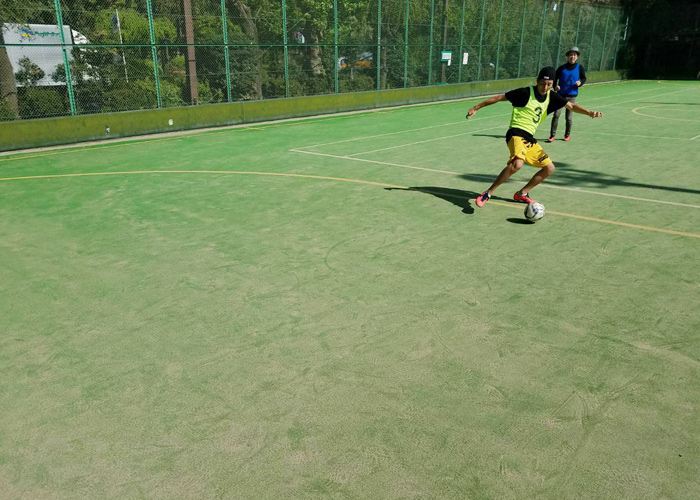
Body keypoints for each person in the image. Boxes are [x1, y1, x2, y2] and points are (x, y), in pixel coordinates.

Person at [466, 66, 603, 207]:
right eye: (542, 84)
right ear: (537, 81)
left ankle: (522, 194)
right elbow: (499, 97)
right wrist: (476, 107)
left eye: (549, 84)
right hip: (516, 133)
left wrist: (589, 113)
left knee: (549, 168)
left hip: (529, 138)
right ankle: (488, 193)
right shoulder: (525, 93)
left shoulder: (552, 97)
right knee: (518, 163)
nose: (545, 87)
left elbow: (571, 106)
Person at [547, 46, 587, 142]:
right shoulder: (561, 68)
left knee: (568, 117)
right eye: (570, 55)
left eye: (574, 55)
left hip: (572, 96)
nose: (572, 57)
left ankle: (567, 134)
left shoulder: (579, 67)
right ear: (568, 57)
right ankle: (552, 135)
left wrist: (580, 82)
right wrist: (555, 86)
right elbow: (554, 78)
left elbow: (583, 78)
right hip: (560, 96)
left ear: (577, 57)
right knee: (556, 115)